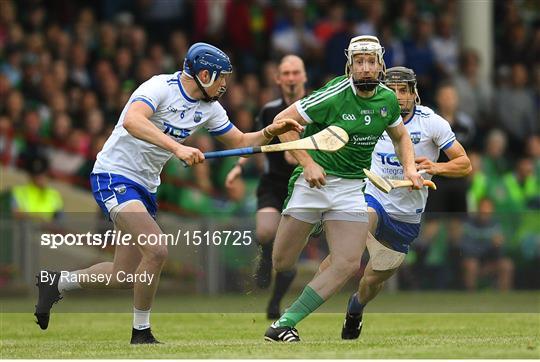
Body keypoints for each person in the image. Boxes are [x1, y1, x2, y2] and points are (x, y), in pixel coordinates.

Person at [34, 42, 302, 344]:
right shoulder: (160, 87)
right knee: (157, 248)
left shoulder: (209, 108)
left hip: (146, 186)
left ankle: (56, 282)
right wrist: (178, 148)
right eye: (222, 77)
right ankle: (141, 333)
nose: (226, 84)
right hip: (114, 175)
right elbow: (132, 120)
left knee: (123, 276)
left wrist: (273, 131)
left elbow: (240, 139)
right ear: (204, 74)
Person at [263, 36, 423, 342]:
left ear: (380, 65)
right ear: (350, 65)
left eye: (370, 62)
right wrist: (308, 163)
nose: (365, 68)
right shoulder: (333, 94)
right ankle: (312, 223)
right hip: (314, 182)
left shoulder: (387, 100)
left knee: (349, 263)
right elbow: (281, 122)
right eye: (359, 62)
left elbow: (401, 137)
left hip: (350, 187)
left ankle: (284, 324)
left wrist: (410, 169)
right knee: (282, 263)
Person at [319, 66, 471, 339]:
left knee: (374, 280)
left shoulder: (432, 123)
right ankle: (310, 298)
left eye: (404, 90)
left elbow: (464, 164)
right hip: (374, 196)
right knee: (357, 231)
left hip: (407, 215)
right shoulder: (370, 117)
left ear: (414, 93)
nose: (399, 96)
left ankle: (356, 308)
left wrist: (435, 167)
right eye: (393, 90)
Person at [225, 55, 307, 319]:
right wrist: (238, 167)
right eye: (287, 73)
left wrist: (300, 155)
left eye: (296, 72)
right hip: (273, 183)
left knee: (288, 255)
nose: (291, 78)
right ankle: (267, 255)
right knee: (264, 232)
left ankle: (275, 301)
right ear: (278, 79)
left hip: (305, 184)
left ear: (304, 76)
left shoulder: (316, 107)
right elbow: (254, 142)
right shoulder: (269, 111)